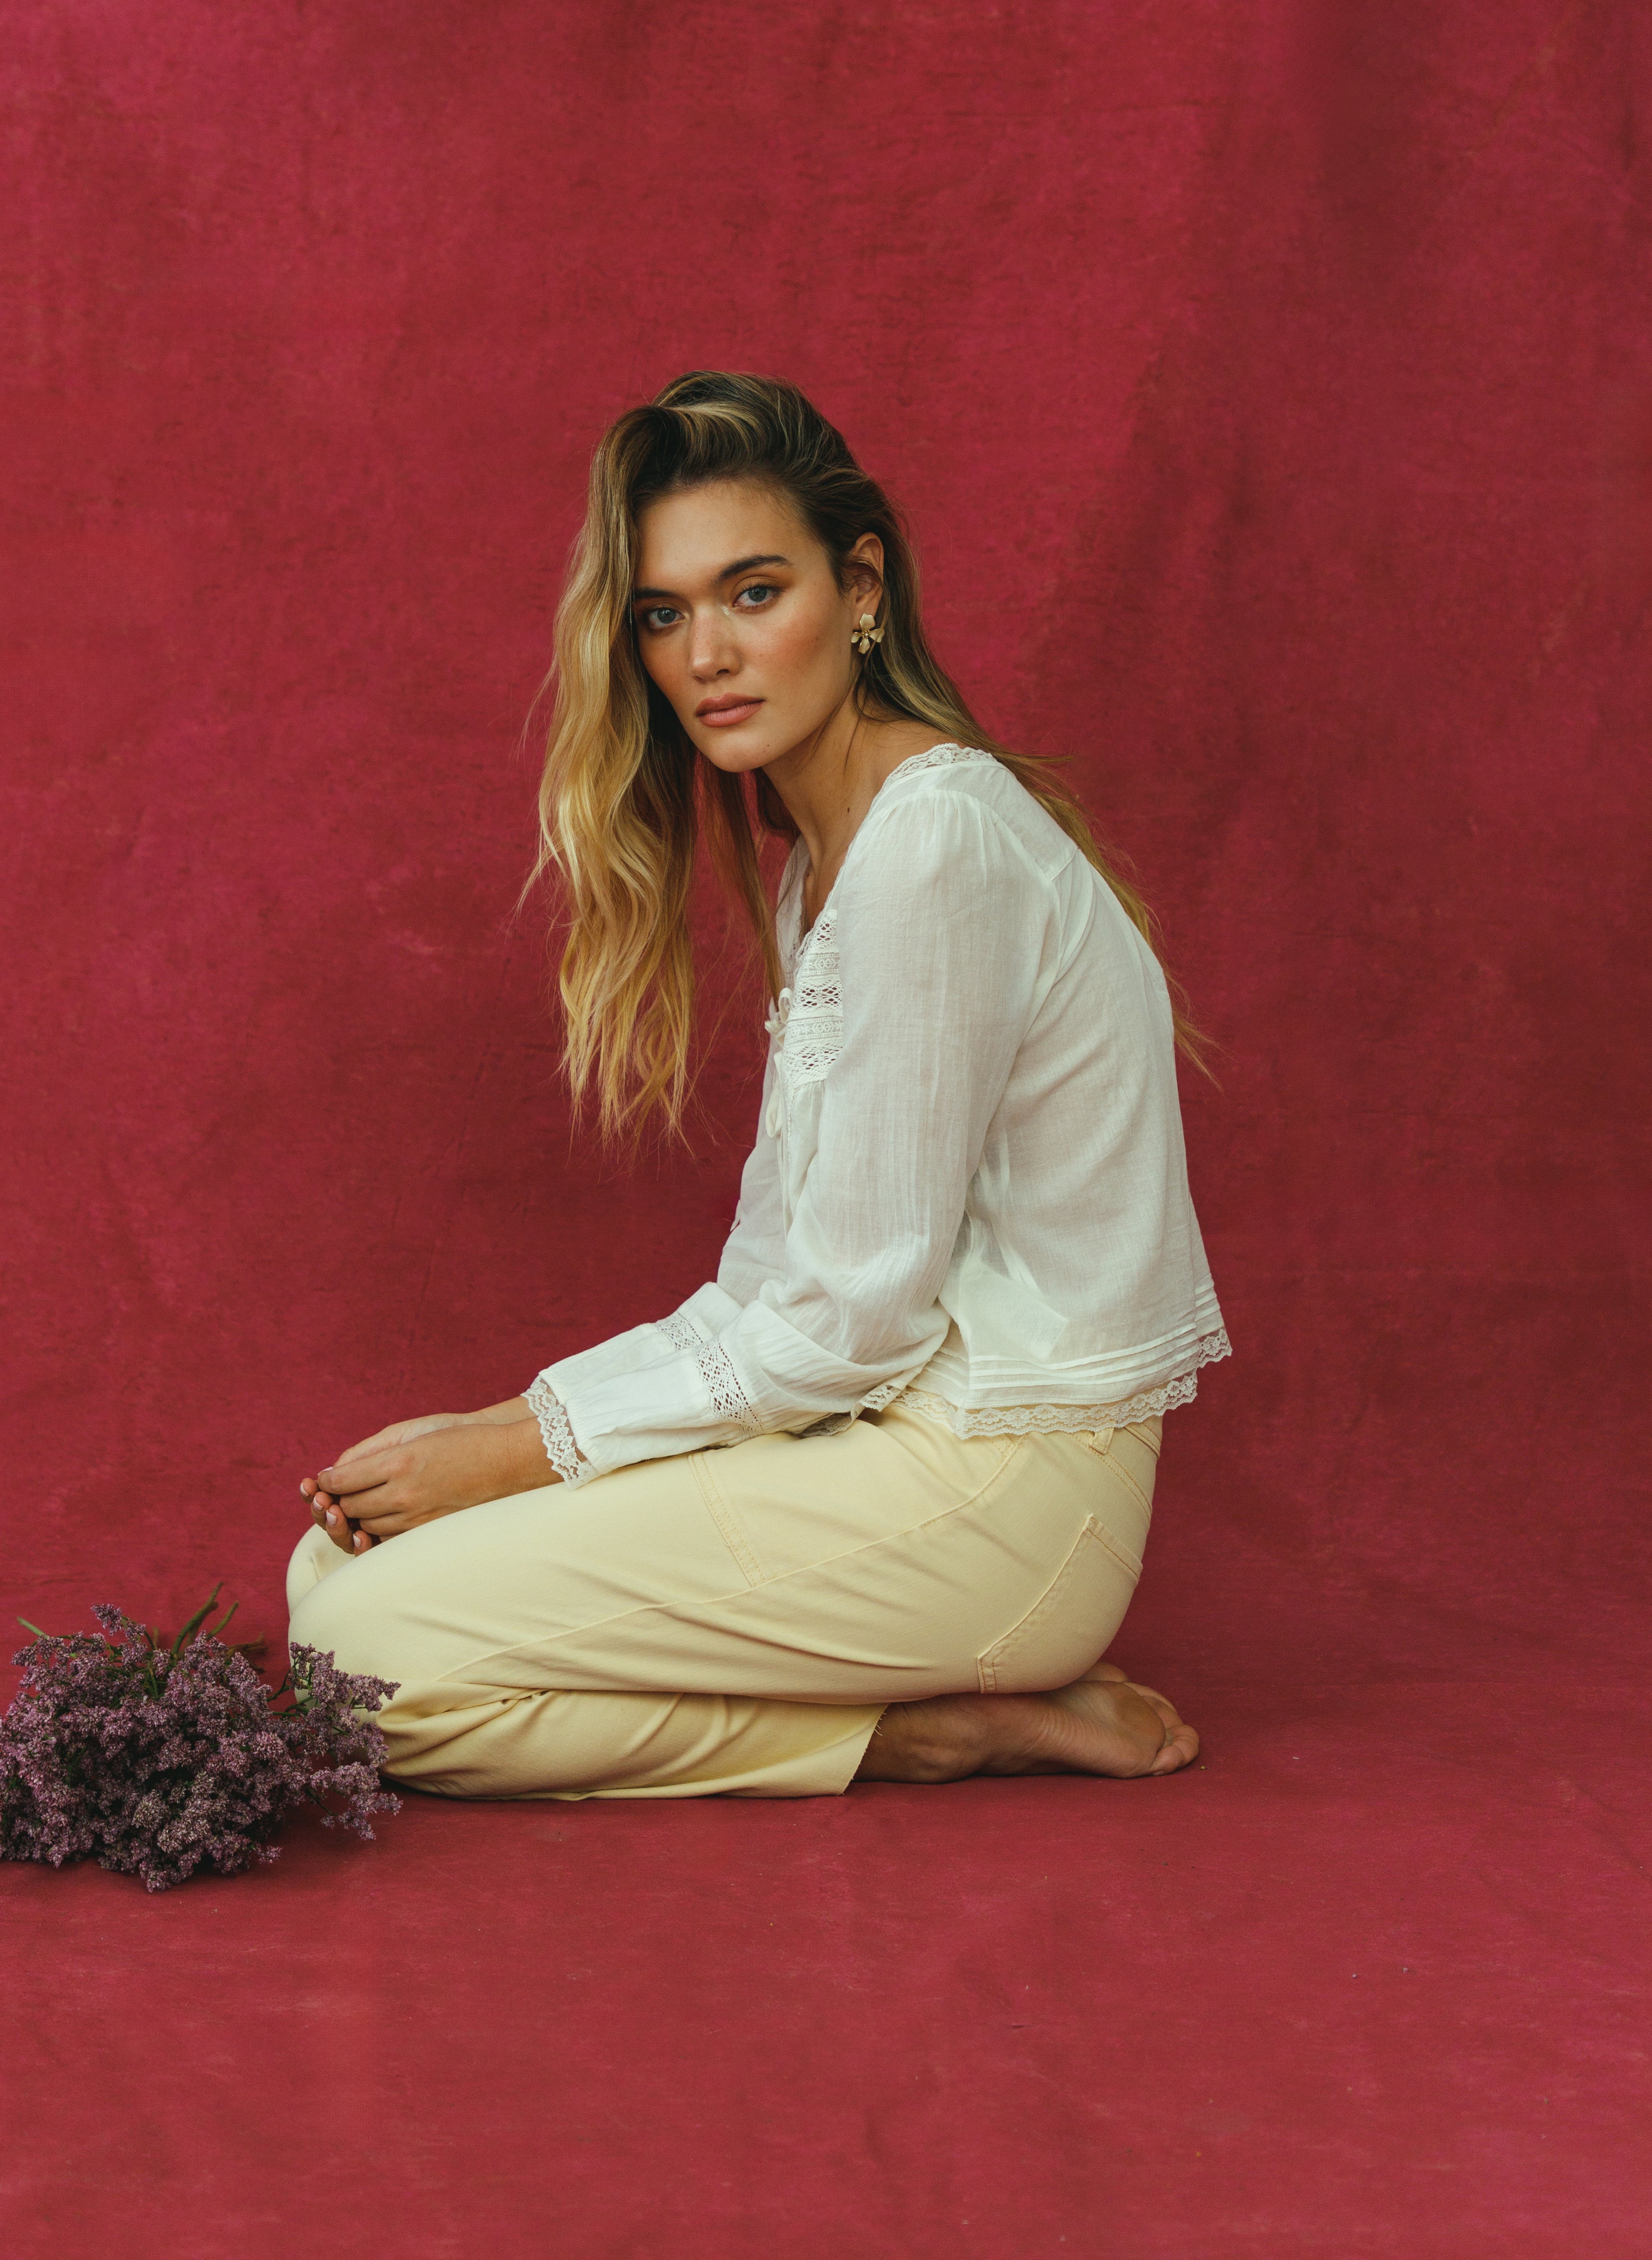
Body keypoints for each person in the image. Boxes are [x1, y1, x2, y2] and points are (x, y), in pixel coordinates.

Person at [287, 373, 1228, 1796]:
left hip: (1002, 1492)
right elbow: (779, 1289)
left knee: (369, 1663)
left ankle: (910, 1732)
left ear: (861, 590)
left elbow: (848, 1319)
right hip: (884, 1435)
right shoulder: (828, 865)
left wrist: (522, 1449)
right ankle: (891, 1717)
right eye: (664, 615)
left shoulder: (933, 844)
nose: (706, 655)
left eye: (753, 591)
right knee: (336, 1573)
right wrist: (494, 1435)